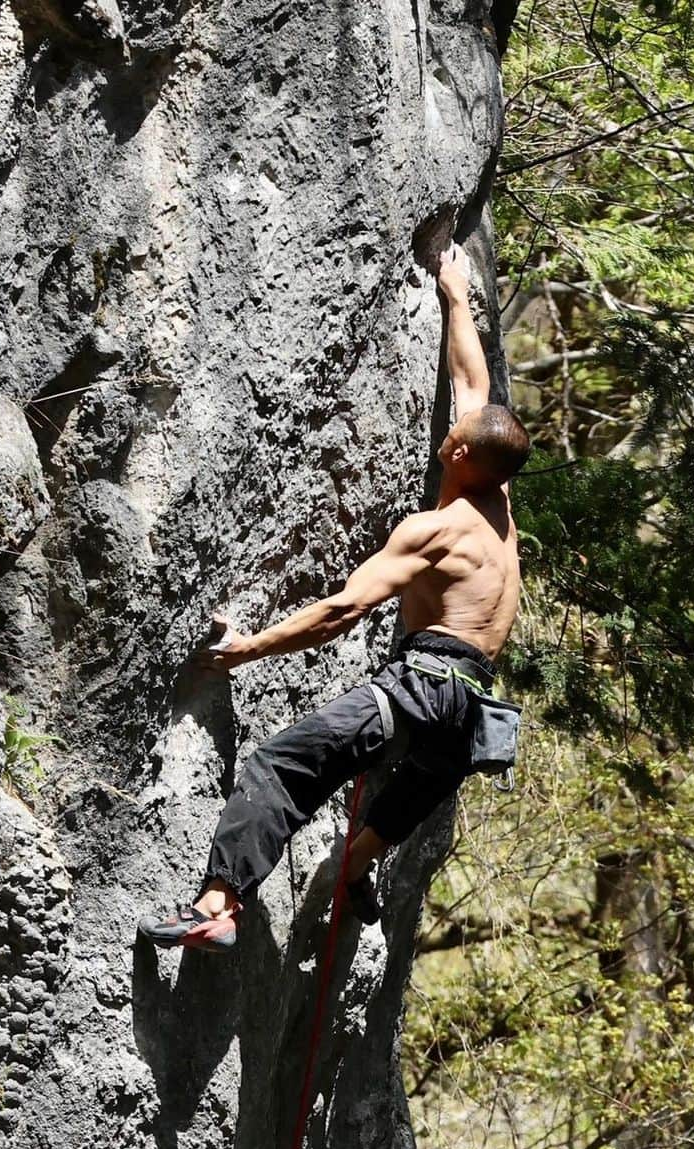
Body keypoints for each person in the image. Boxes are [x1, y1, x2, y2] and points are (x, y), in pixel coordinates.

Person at [138, 246, 530, 951]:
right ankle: (353, 869)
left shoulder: (436, 531)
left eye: (454, 437)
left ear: (460, 455)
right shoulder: (497, 501)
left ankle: (219, 907)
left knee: (281, 765)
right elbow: (473, 385)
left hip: (423, 686)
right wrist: (455, 295)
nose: (449, 431)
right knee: (404, 797)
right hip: (471, 712)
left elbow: (344, 610)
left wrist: (246, 649)